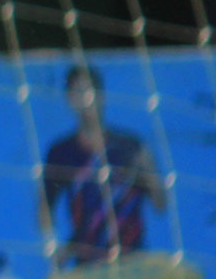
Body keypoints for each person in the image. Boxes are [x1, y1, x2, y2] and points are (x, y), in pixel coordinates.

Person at [39, 62, 166, 266]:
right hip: (88, 268)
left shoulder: (131, 147)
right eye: (79, 92)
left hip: (133, 263)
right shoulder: (61, 153)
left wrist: (150, 171)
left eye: (91, 91)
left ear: (102, 96)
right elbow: (45, 207)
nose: (87, 100)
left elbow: (160, 205)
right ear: (70, 100)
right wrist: (53, 247)